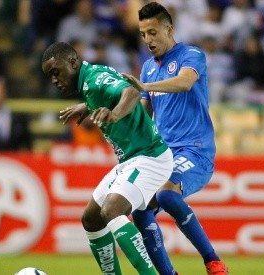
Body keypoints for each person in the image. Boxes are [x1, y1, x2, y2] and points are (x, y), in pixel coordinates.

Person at [42, 41, 173, 275]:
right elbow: (106, 93)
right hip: (130, 161)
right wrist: (88, 107)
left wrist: (114, 114)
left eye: (56, 72)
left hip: (149, 157)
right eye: (49, 76)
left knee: (112, 210)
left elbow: (131, 92)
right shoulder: (90, 84)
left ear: (73, 62)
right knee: (91, 219)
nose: (53, 80)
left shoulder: (94, 80)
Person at [121, 2, 228, 275]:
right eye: (144, 34)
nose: (148, 40)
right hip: (163, 156)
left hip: (195, 151)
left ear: (169, 29)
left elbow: (184, 83)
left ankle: (213, 261)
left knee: (167, 195)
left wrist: (145, 86)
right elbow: (143, 118)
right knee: (142, 210)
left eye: (153, 32)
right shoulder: (147, 68)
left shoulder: (192, 55)